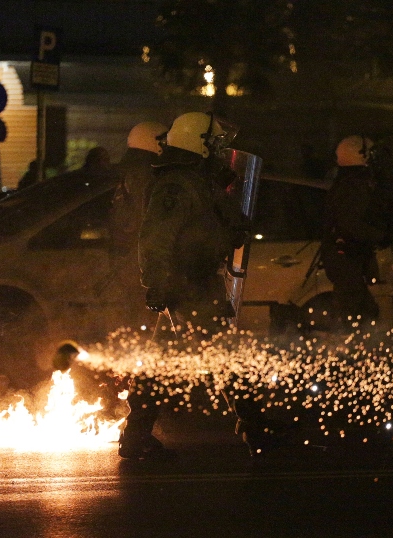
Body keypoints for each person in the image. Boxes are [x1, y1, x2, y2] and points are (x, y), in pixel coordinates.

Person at [118, 111, 285, 459]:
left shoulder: (194, 178)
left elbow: (211, 223)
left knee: (161, 363)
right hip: (188, 285)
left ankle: (135, 436)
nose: (222, 148)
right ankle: (257, 430)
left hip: (193, 283)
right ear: (200, 143)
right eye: (217, 142)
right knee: (227, 356)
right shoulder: (178, 183)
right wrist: (158, 282)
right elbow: (155, 239)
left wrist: (232, 222)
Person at [319, 135, 392, 328]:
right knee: (359, 312)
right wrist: (380, 236)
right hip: (345, 257)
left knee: (357, 310)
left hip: (347, 257)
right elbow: (351, 224)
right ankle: (351, 350)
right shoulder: (353, 186)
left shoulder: (349, 183)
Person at [108, 121, 168, 327]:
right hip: (138, 259)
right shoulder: (146, 174)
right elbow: (150, 221)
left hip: (125, 255)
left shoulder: (127, 171)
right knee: (144, 319)